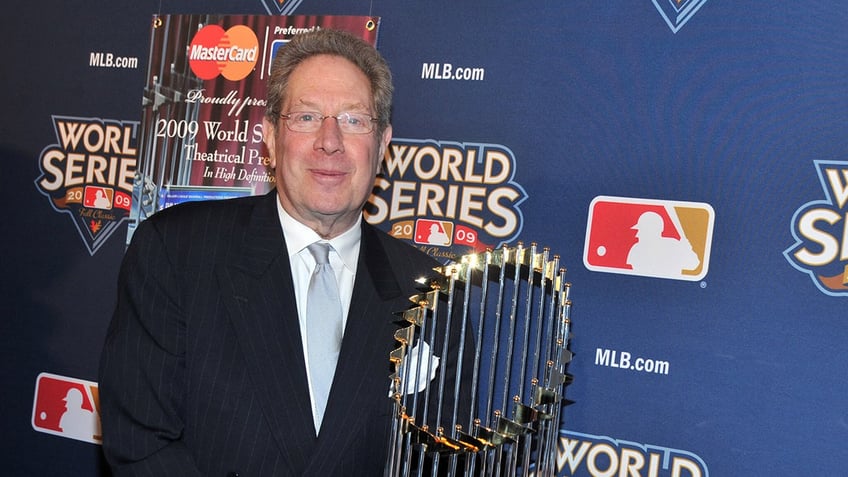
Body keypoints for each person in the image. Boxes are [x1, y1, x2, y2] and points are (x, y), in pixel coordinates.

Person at [99, 29, 469, 476]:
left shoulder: (432, 293)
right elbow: (142, 442)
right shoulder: (176, 252)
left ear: (383, 145)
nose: (329, 141)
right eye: (307, 117)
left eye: (354, 120)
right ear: (271, 138)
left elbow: (440, 460)